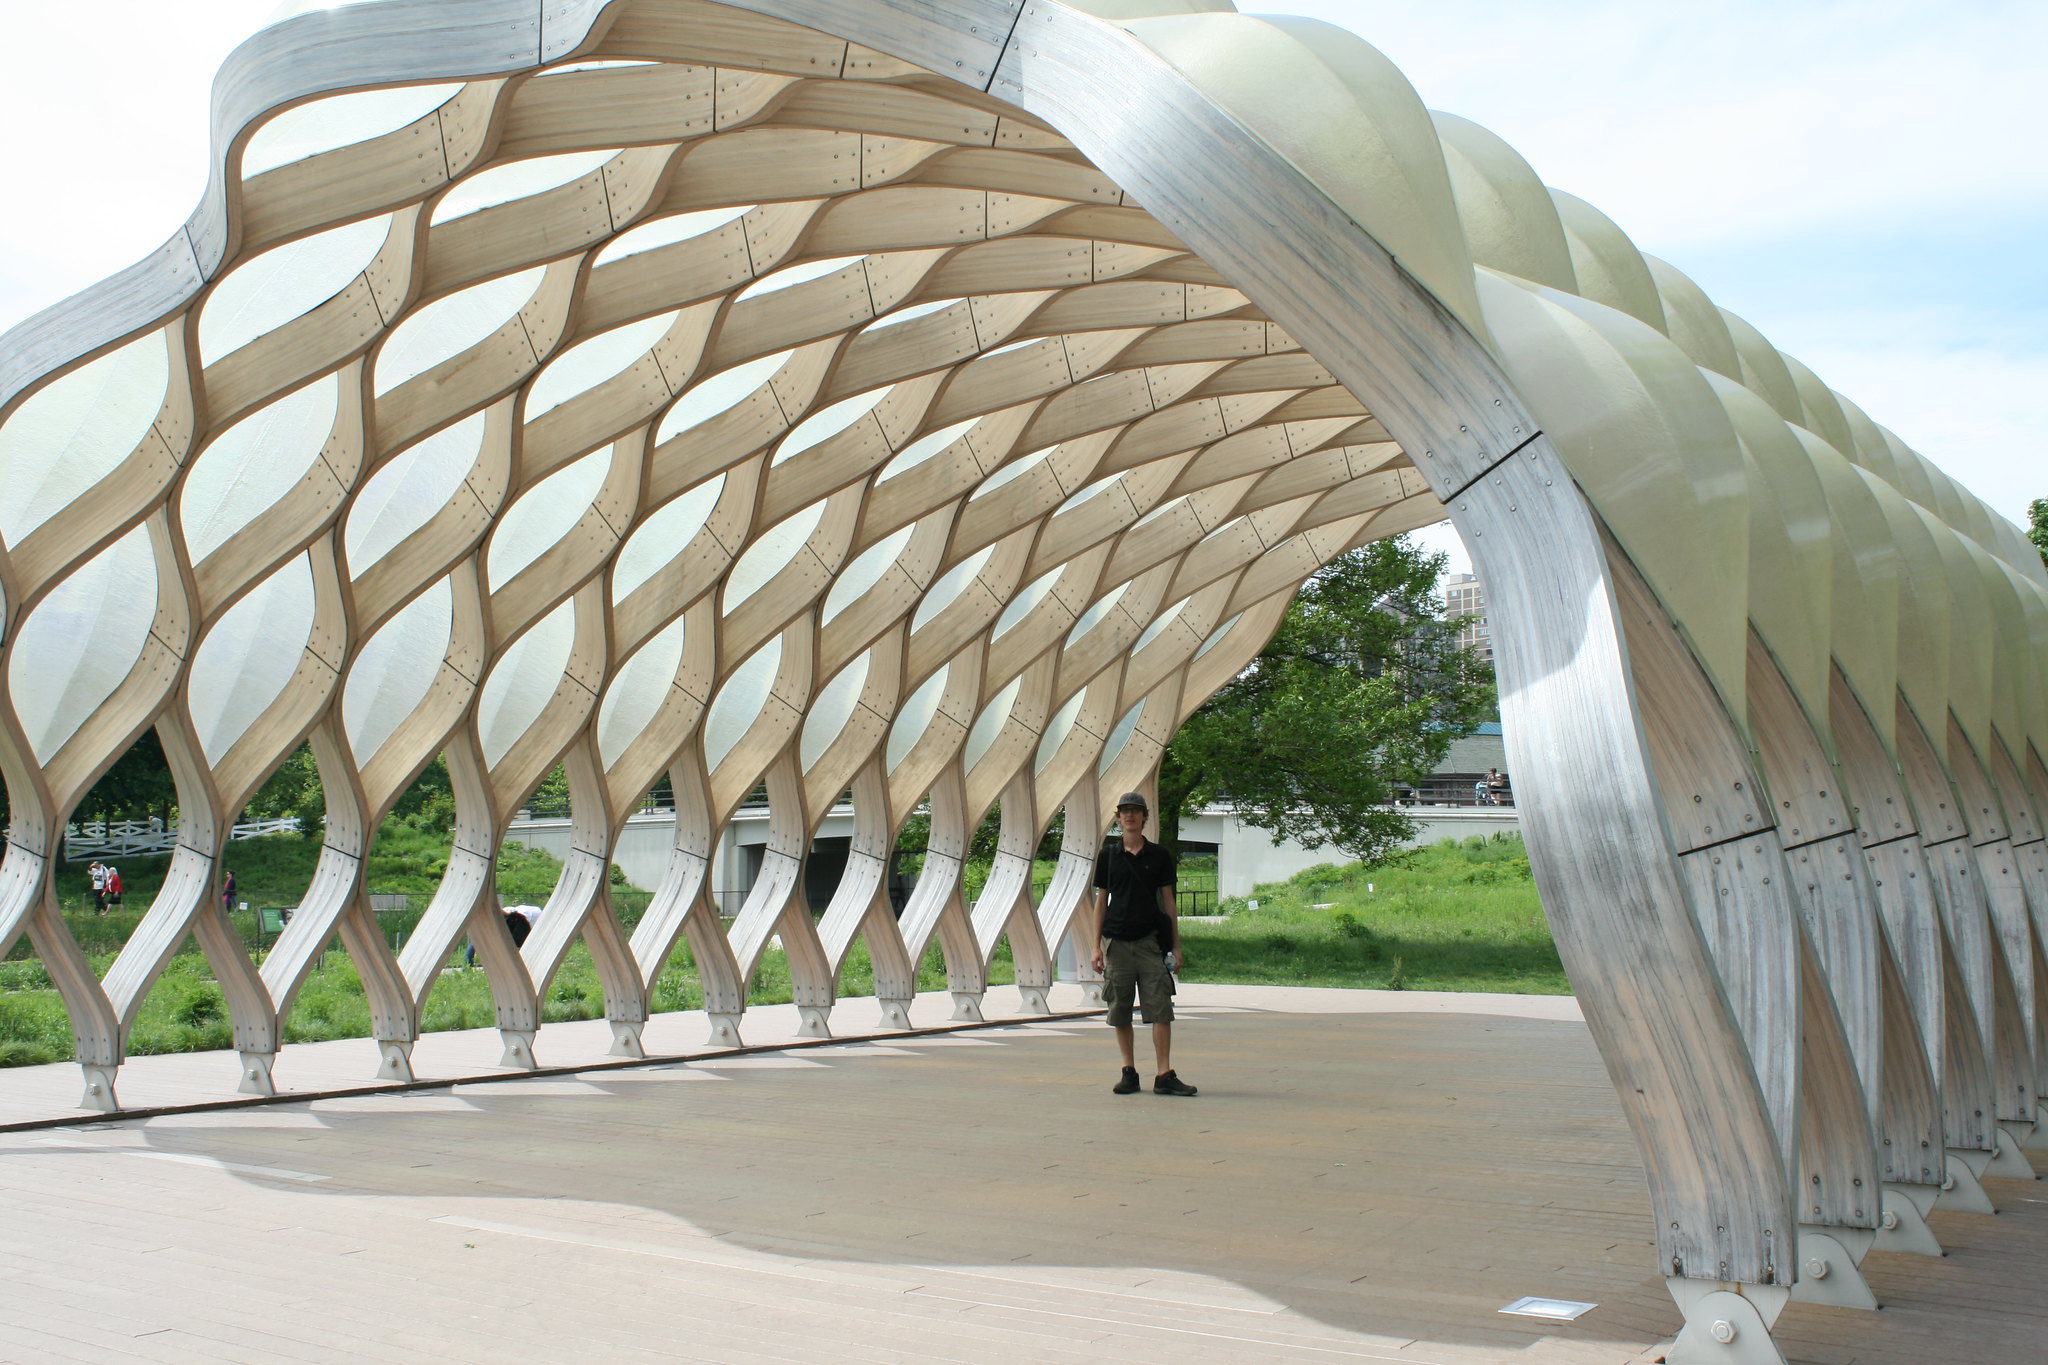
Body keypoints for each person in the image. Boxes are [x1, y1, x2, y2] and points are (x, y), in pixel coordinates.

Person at [1087, 792, 1196, 1097]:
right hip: (1116, 942)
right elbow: (1101, 901)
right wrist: (1095, 946)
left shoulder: (1159, 855)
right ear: (1118, 817)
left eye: (1136, 811)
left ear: (1145, 817)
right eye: (1125, 812)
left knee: (1160, 1008)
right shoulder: (1109, 855)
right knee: (1120, 1008)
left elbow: (1168, 902)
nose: (1130, 816)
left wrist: (1176, 945)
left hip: (1150, 942)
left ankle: (1164, 1073)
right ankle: (1128, 1071)